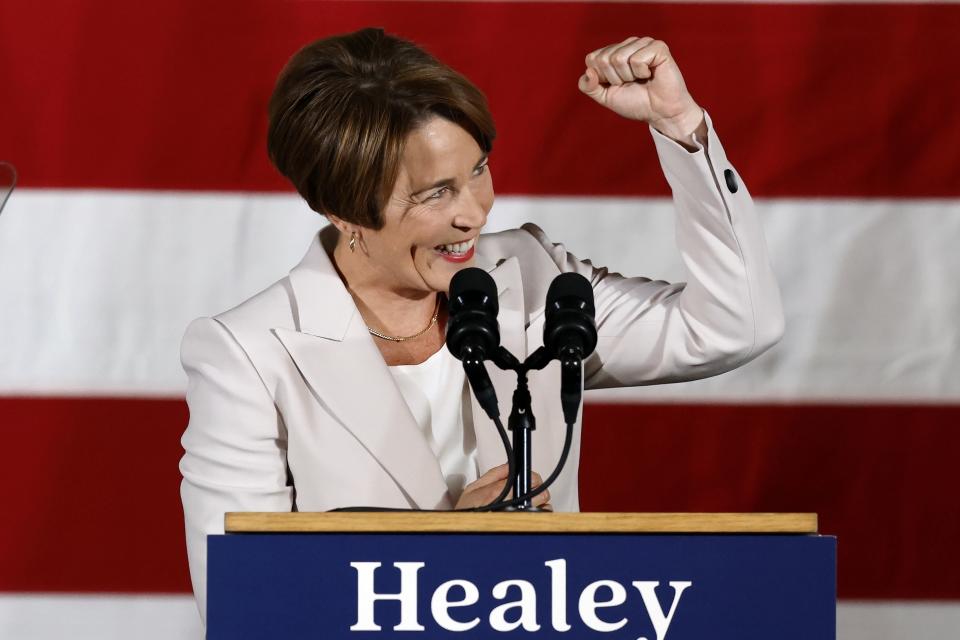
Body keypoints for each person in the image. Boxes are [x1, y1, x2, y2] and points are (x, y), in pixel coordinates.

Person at [179, 28, 783, 625]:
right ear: (342, 208)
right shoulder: (250, 354)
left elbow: (737, 325)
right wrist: (448, 554)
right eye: (435, 193)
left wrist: (681, 127)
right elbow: (246, 607)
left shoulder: (534, 276)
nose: (474, 212)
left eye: (478, 170)